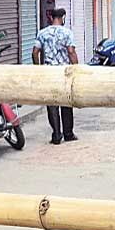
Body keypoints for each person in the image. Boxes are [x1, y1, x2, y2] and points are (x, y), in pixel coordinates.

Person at [32, 8, 79, 145]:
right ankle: (68, 134)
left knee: (52, 104)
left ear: (51, 18)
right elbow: (71, 51)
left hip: (48, 73)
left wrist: (38, 68)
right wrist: (76, 68)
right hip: (63, 73)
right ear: (63, 18)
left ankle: (56, 135)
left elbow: (35, 52)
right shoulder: (67, 33)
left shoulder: (42, 33)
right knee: (66, 102)